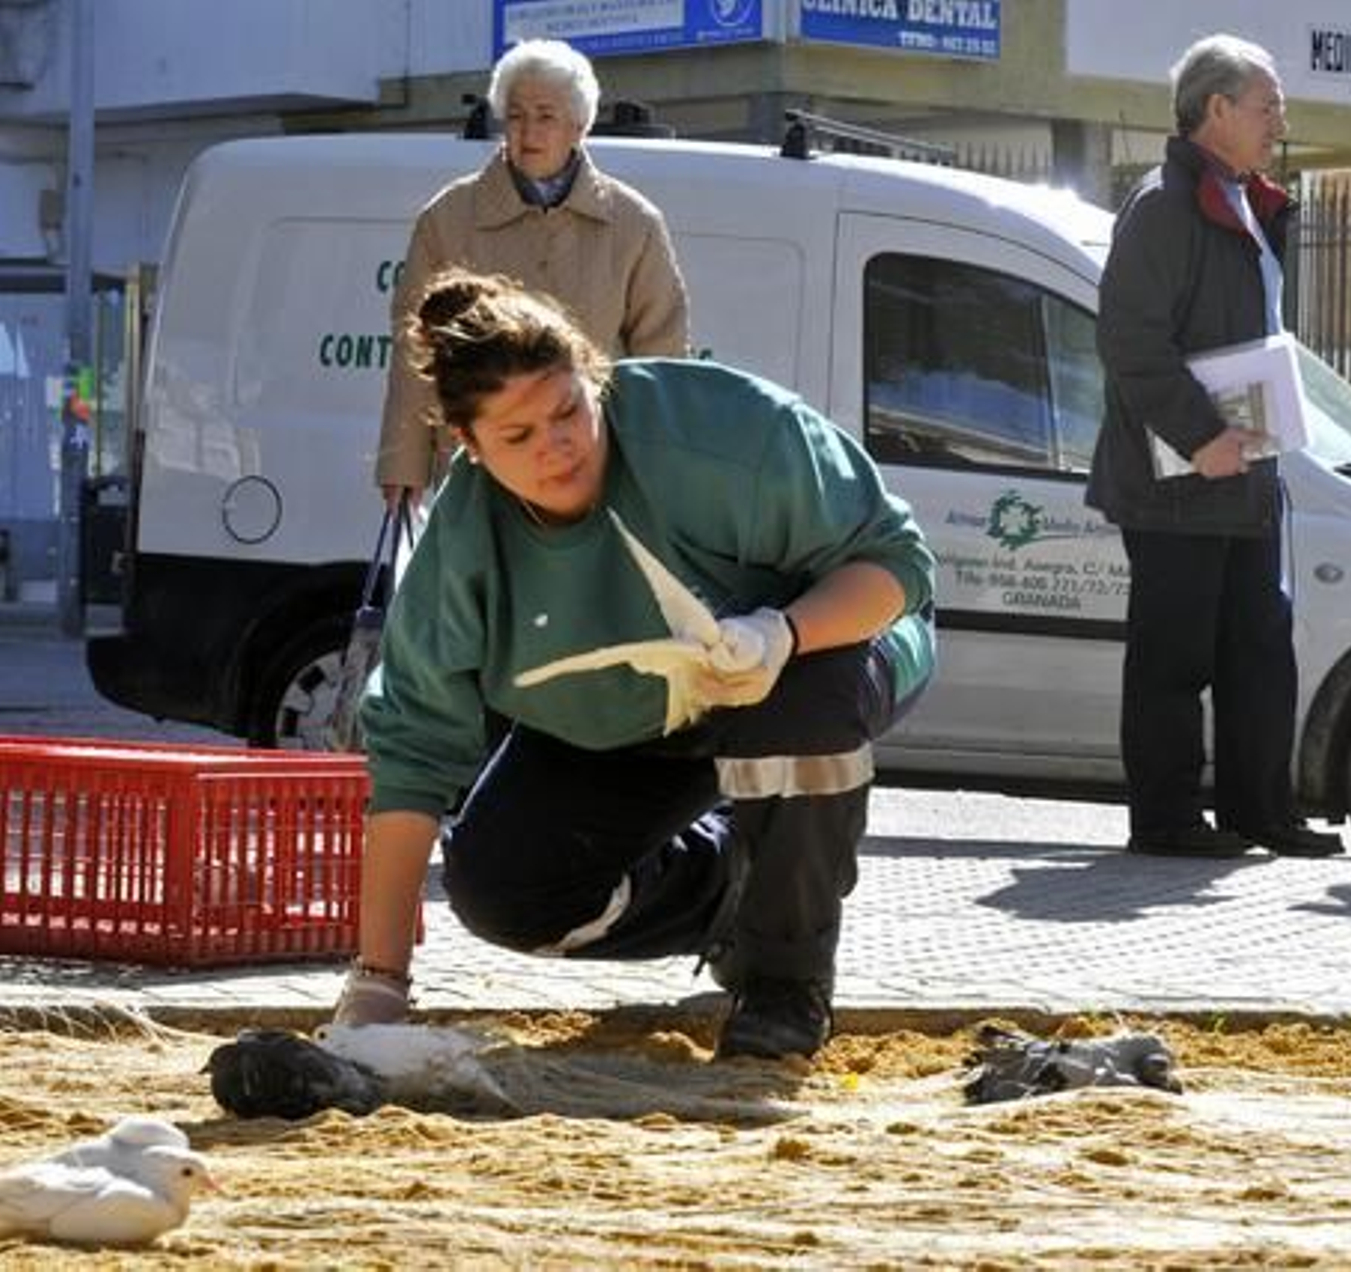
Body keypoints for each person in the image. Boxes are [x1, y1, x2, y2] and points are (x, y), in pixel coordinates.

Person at [332, 269, 936, 1061]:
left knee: (805, 705)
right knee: (500, 890)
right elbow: (411, 752)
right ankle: (735, 891)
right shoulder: (462, 544)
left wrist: (781, 634)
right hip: (620, 723)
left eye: (567, 409)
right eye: (518, 437)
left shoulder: (723, 431)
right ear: (468, 447)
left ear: (594, 377)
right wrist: (380, 980)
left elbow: (897, 567)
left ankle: (784, 983)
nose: (557, 447)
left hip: (816, 659)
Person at [1086, 34, 1342, 861]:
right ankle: (1163, 820)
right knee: (1174, 654)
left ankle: (1261, 812)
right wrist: (1201, 438)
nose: (1280, 121)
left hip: (1245, 472)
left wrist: (1242, 444)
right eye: (1267, 105)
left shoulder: (1245, 200)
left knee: (1257, 648)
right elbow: (1130, 343)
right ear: (1217, 109)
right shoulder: (1163, 206)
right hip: (1179, 478)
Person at [375, 38, 689, 505]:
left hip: (591, 467)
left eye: (546, 116)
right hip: (478, 469)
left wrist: (654, 469)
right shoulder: (448, 217)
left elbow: (662, 358)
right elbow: (413, 350)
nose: (528, 132)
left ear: (579, 126)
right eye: (516, 116)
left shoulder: (634, 223)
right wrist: (402, 463)